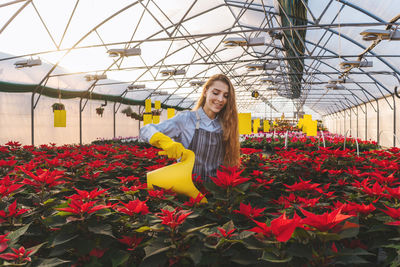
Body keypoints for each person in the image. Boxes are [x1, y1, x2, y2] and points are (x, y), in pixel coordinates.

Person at [139, 73, 240, 181]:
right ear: (205, 92)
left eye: (226, 96)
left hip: (216, 191)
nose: (220, 99)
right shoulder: (187, 119)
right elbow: (146, 130)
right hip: (188, 189)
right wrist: (165, 142)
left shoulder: (226, 125)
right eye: (215, 93)